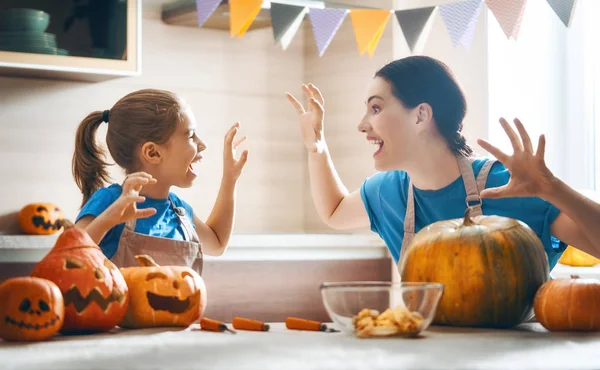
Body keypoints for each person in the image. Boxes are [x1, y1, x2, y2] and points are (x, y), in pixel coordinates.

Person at [285, 55, 600, 272]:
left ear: (421, 114)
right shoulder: (389, 192)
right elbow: (335, 212)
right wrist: (317, 147)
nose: (363, 125)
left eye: (376, 108)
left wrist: (553, 190)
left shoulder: (506, 186)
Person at [72, 89, 249, 275]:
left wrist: (230, 178)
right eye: (190, 136)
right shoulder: (111, 201)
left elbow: (217, 243)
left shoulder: (179, 211)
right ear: (153, 153)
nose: (202, 144)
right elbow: (69, 257)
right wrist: (110, 218)